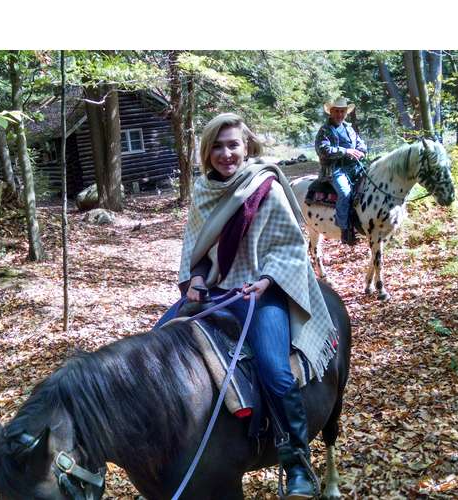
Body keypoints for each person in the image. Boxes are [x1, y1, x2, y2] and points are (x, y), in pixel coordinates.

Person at [156, 113, 340, 499]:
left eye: (233, 145)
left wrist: (266, 281)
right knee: (156, 342)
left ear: (246, 147)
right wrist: (198, 280)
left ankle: (297, 463)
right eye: (218, 146)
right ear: (207, 152)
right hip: (216, 290)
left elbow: (289, 247)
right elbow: (197, 249)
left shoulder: (265, 187)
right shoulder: (203, 192)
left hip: (261, 290)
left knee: (275, 370)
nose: (226, 153)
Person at [313, 97, 367, 246]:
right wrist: (346, 151)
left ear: (346, 113)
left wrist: (361, 151)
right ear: (331, 112)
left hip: (354, 166)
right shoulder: (325, 130)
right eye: (336, 111)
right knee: (345, 193)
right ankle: (345, 229)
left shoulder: (349, 128)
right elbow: (323, 150)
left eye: (342, 111)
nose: (339, 114)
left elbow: (361, 144)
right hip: (334, 169)